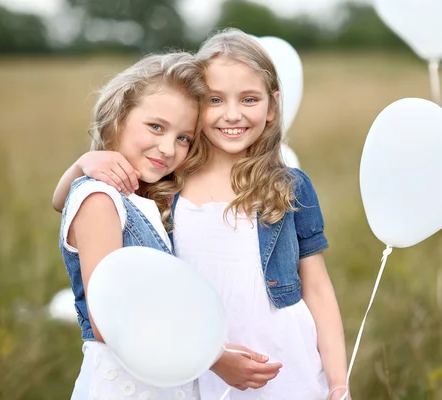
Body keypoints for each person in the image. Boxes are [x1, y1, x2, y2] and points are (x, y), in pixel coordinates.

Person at [53, 28, 350, 400]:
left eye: (249, 99)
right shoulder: (166, 182)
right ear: (197, 104)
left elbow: (319, 290)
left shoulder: (287, 186)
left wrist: (339, 383)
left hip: (284, 361)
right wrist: (82, 165)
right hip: (199, 367)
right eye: (214, 99)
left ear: (272, 106)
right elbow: (81, 207)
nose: (232, 114)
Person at [58, 51, 207, 400]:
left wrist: (80, 165)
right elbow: (106, 320)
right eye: (156, 126)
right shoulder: (99, 199)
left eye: (184, 138)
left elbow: (58, 201)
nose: (168, 148)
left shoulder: (146, 200)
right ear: (116, 119)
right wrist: (213, 356)